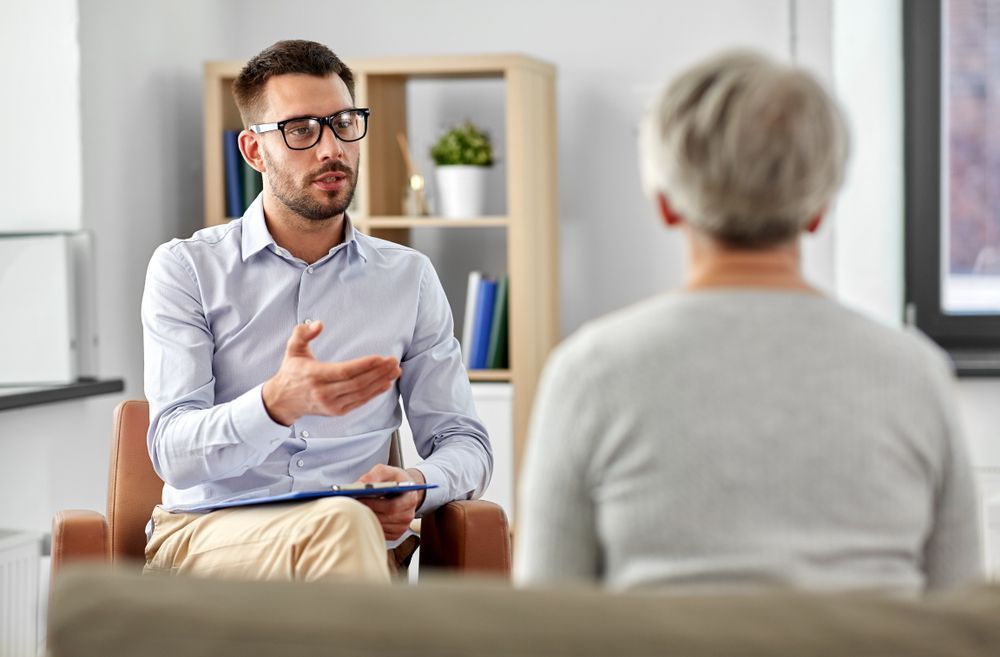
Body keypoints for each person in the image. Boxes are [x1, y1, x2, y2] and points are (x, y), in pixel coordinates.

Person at [514, 51, 981, 593]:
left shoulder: (589, 373)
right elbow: (960, 617)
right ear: (819, 208)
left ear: (665, 204)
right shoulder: (914, 374)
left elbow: (548, 621)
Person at [141, 40, 492, 583]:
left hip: (361, 539)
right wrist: (274, 404)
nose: (332, 148)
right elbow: (173, 453)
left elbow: (464, 442)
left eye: (344, 122)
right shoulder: (185, 269)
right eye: (301, 129)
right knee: (340, 525)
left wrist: (417, 484)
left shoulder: (409, 277)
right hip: (209, 537)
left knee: (342, 524)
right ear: (254, 151)